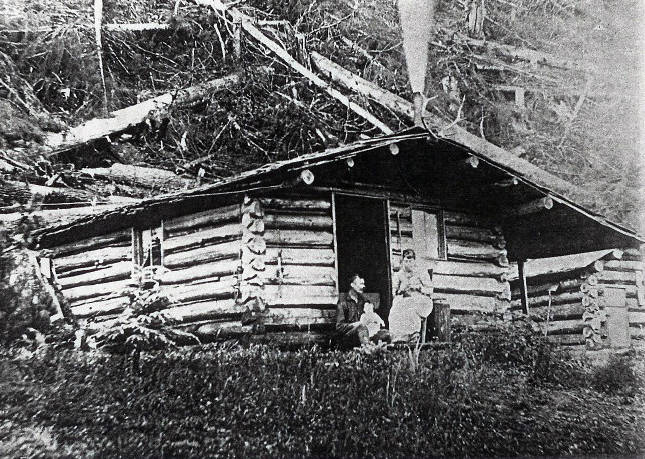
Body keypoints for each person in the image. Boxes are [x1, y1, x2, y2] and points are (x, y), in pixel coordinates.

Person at [388, 249, 434, 343]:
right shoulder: (399, 274)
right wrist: (401, 290)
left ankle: (413, 336)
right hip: (404, 299)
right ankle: (399, 338)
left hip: (421, 299)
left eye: (410, 261)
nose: (408, 263)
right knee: (395, 311)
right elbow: (393, 291)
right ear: (402, 261)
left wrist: (419, 288)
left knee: (411, 310)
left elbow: (430, 289)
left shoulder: (421, 272)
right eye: (406, 261)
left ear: (414, 261)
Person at [336, 274, 390, 348]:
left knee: (386, 333)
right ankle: (367, 350)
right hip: (349, 336)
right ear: (352, 285)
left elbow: (371, 315)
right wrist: (358, 324)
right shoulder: (343, 302)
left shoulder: (364, 300)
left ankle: (377, 351)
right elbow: (339, 327)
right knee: (361, 327)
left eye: (363, 284)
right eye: (361, 284)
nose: (363, 286)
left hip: (366, 333)